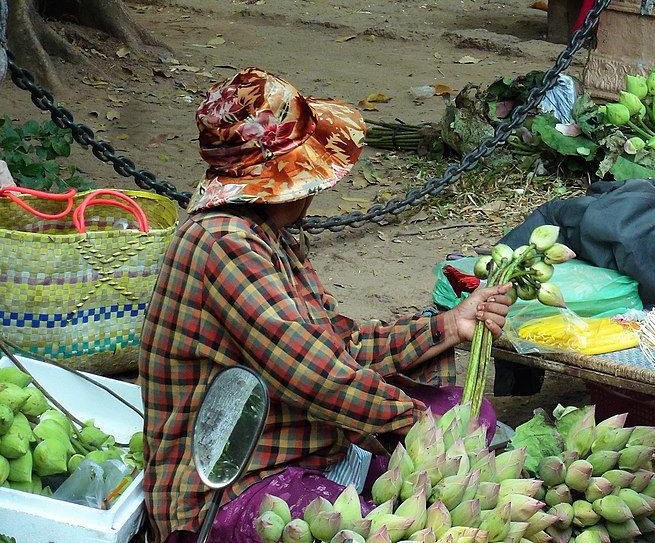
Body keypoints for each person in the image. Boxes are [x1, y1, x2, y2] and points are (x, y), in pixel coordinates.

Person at [138, 68, 514, 543]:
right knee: (396, 495)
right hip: (232, 488)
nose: (318, 189)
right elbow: (316, 375)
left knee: (466, 413)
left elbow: (342, 346)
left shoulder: (271, 237)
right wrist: (416, 422)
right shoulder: (221, 242)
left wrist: (449, 326)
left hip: (302, 447)